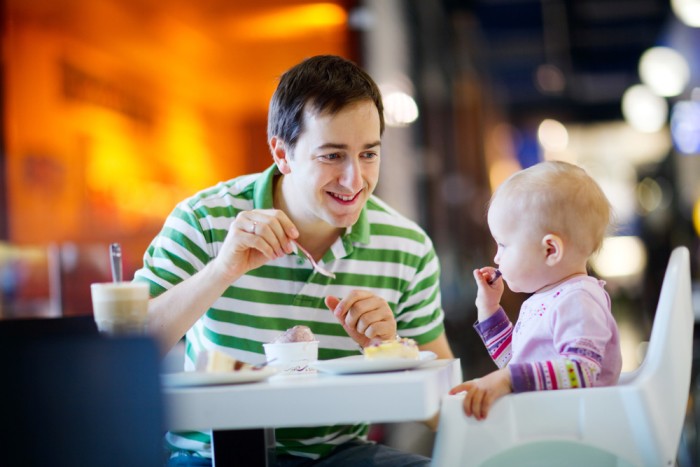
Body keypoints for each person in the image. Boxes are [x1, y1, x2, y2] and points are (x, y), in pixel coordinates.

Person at [134, 54, 453, 466]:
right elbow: (124, 354)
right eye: (332, 156)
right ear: (282, 154)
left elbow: (444, 409)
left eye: (368, 154)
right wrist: (222, 270)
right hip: (210, 453)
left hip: (338, 454)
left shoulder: (406, 247)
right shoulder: (204, 220)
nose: (355, 180)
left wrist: (389, 351)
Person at [449, 160, 622, 420]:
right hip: (550, 422)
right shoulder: (547, 298)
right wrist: (489, 309)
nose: (496, 258)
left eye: (504, 245)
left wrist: (508, 380)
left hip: (579, 428)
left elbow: (581, 370)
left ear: (550, 250)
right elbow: (513, 361)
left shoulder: (578, 299)